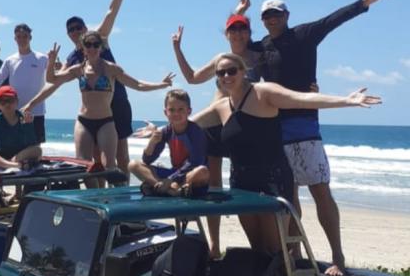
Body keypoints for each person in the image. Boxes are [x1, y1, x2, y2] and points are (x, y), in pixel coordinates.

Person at [241, 0, 391, 275]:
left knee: (320, 190)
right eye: (266, 16)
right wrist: (239, 13)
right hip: (274, 128)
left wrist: (364, 2)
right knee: (290, 195)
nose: (271, 20)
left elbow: (333, 20)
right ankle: (295, 254)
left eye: (276, 14)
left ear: (286, 15)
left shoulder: (303, 35)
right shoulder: (262, 47)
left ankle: (338, 257)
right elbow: (238, 43)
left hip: (305, 126)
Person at [197, 53, 380, 256]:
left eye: (232, 70)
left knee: (275, 248)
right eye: (221, 73)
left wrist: (346, 100)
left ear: (243, 71)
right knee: (257, 248)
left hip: (272, 180)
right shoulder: (221, 107)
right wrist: (157, 132)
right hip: (241, 182)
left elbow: (302, 99)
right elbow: (186, 124)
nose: (226, 76)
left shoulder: (263, 92)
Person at [24, 31, 174, 179]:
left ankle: (115, 198)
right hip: (84, 122)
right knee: (83, 166)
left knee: (109, 166)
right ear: (83, 48)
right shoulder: (78, 69)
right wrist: (51, 61)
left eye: (96, 45)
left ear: (101, 48)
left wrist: (161, 85)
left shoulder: (111, 69)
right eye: (88, 45)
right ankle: (93, 199)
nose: (92, 48)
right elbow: (52, 79)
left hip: (106, 121)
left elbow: (138, 84)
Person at [172, 15, 261, 257]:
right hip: (213, 126)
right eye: (233, 30)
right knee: (212, 186)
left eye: (243, 29)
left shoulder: (258, 58)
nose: (238, 34)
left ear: (250, 32)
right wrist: (177, 49)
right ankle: (214, 244)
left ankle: (261, 245)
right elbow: (191, 78)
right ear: (227, 34)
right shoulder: (220, 60)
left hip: (243, 128)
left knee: (245, 182)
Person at [63, 0, 134, 176]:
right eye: (71, 30)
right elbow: (55, 79)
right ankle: (99, 200)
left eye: (78, 28)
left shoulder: (99, 39)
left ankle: (122, 197)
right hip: (93, 113)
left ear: (85, 29)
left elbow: (112, 10)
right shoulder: (73, 58)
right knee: (94, 160)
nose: (75, 32)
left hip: (118, 103)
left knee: (120, 156)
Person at [129, 89, 210, 197]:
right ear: (165, 112)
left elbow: (195, 162)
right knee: (133, 165)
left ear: (189, 111)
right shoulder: (166, 131)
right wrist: (152, 142)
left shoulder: (196, 132)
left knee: (202, 171)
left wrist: (170, 179)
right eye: (172, 110)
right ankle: (172, 191)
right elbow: (147, 160)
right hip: (174, 175)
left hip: (188, 176)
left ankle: (162, 187)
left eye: (181, 109)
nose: (176, 113)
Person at [0, 23, 50, 144]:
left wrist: (57, 64)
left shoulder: (42, 58)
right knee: (16, 146)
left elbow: (55, 75)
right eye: (19, 36)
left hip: (36, 111)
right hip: (14, 112)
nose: (22, 39)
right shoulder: (10, 60)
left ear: (30, 38)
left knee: (35, 147)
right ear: (15, 39)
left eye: (25, 36)